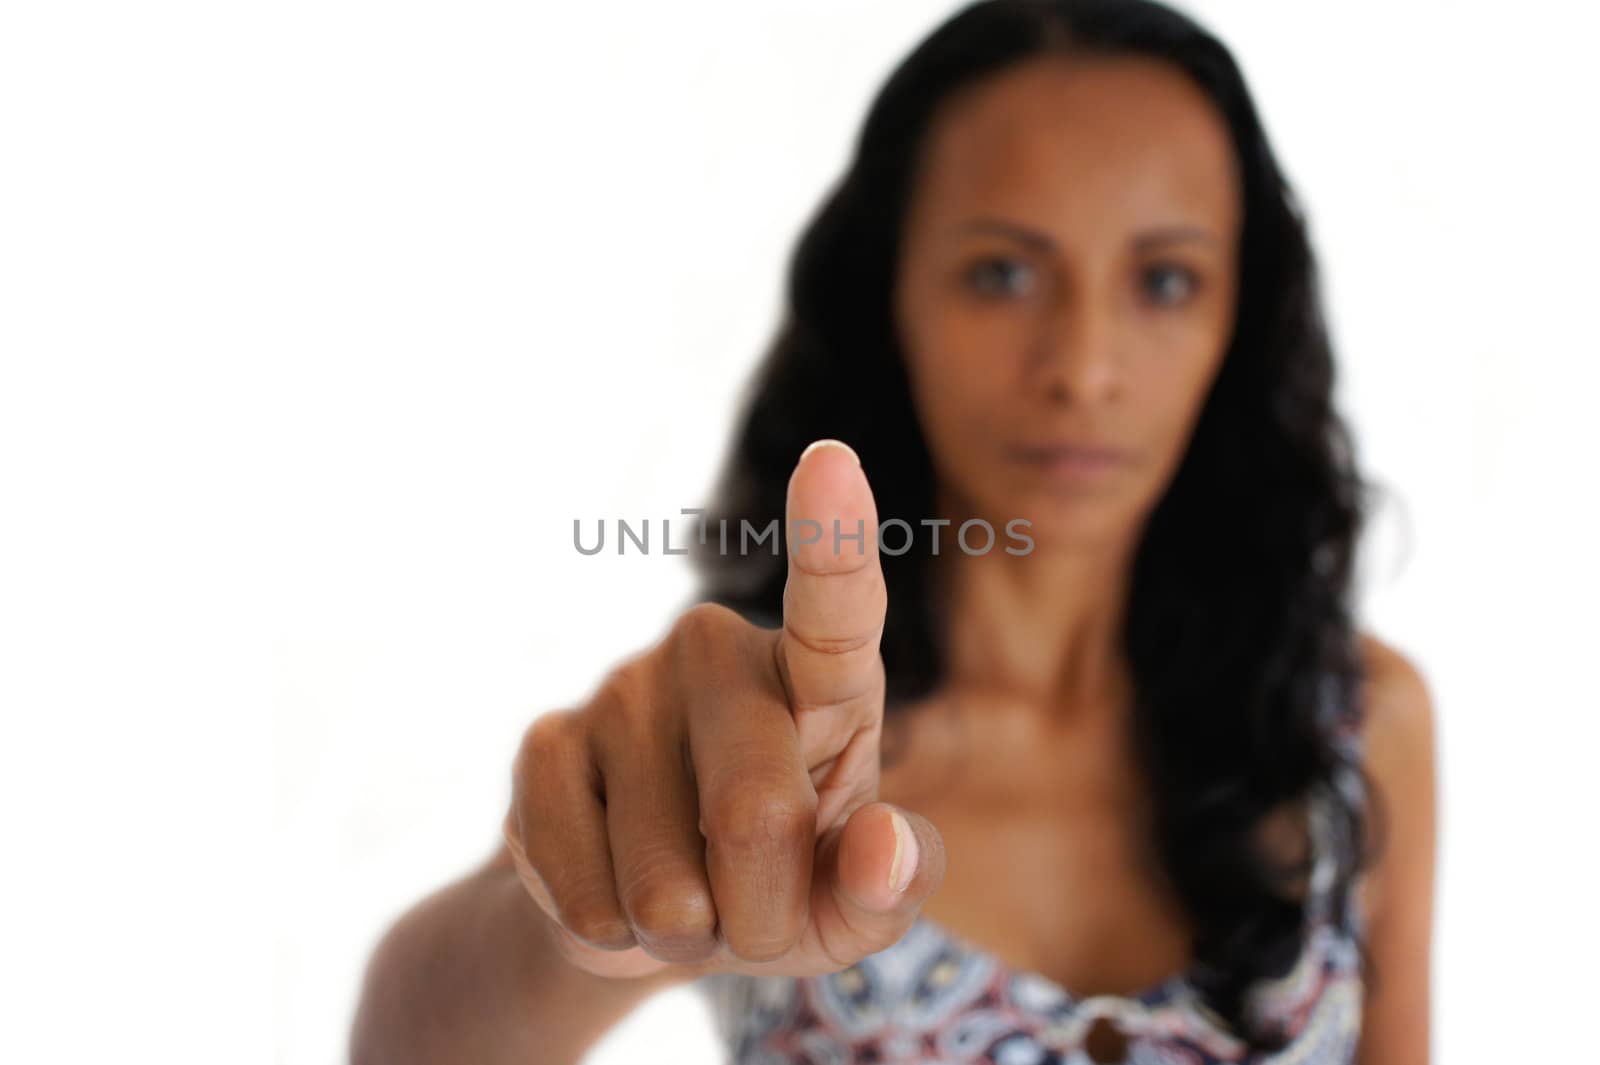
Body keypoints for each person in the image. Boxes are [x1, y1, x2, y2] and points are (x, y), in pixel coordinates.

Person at [349, 1, 1437, 1062]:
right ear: (892, 300)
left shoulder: (1355, 727)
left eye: (1163, 280)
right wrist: (587, 923)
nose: (1084, 369)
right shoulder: (775, 744)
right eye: (1002, 273)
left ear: (1237, 319)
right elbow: (408, 1043)